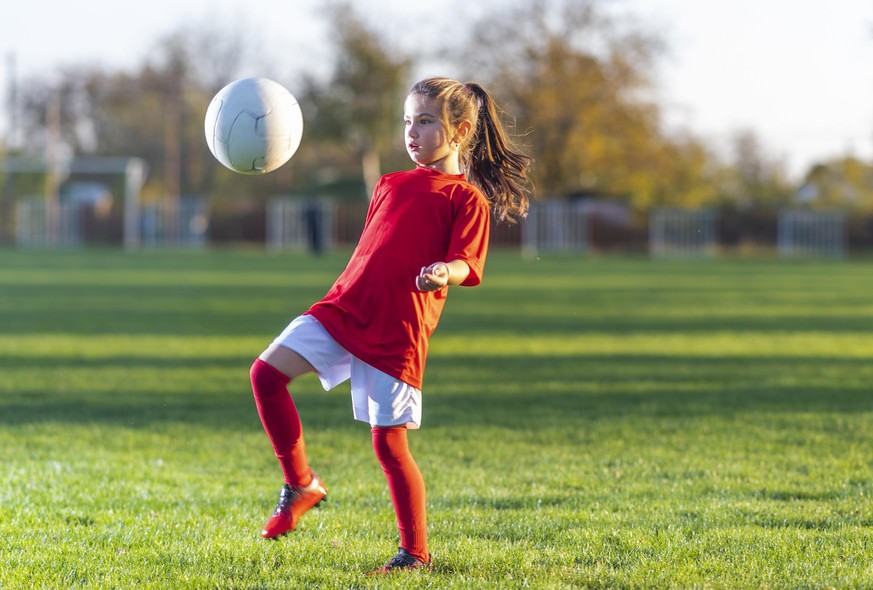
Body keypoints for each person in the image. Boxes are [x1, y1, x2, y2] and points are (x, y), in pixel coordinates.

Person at [249, 76, 532, 575]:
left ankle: (414, 554)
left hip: (398, 328)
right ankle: (301, 484)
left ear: (461, 130)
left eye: (425, 121)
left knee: (389, 443)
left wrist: (445, 271)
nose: (412, 132)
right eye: (407, 121)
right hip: (342, 308)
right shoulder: (389, 183)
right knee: (265, 374)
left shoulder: (465, 199)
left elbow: (467, 263)